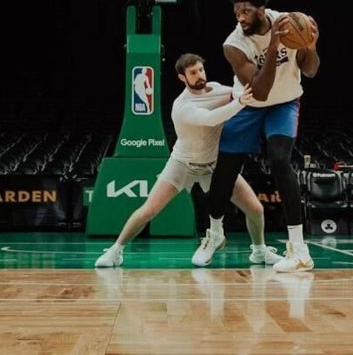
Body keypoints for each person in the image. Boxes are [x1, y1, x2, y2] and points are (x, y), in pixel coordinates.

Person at [95, 51, 279, 268]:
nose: (199, 75)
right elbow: (210, 119)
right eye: (193, 72)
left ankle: (259, 251)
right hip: (182, 164)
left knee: (255, 208)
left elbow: (247, 93)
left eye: (200, 69)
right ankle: (116, 250)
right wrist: (239, 102)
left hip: (214, 165)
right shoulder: (182, 106)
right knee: (149, 209)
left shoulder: (220, 90)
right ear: (182, 77)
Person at [194, 0, 320, 273]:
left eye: (246, 11)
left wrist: (309, 46)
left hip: (285, 103)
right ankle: (214, 235)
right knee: (226, 169)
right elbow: (260, 92)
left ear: (262, 10)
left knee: (279, 160)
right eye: (237, 12)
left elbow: (310, 70)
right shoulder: (234, 45)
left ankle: (299, 249)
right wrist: (275, 46)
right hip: (249, 103)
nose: (240, 17)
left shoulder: (290, 22)